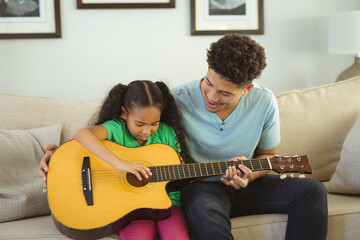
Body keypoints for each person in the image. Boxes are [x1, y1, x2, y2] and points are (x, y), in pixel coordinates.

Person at [38, 34, 328, 240]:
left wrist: (249, 175)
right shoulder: (175, 100)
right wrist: (61, 157)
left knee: (312, 191)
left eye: (225, 93)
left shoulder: (265, 102)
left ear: (248, 88)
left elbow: (267, 157)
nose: (212, 97)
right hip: (199, 187)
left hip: (245, 184)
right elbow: (124, 136)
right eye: (209, 83)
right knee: (202, 206)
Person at [39, 80, 190, 240]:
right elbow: (82, 135)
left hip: (168, 203)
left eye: (154, 123)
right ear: (124, 113)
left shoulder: (166, 133)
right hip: (130, 209)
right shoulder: (116, 129)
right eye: (139, 124)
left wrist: (181, 165)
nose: (147, 131)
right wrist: (120, 163)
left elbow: (179, 167)